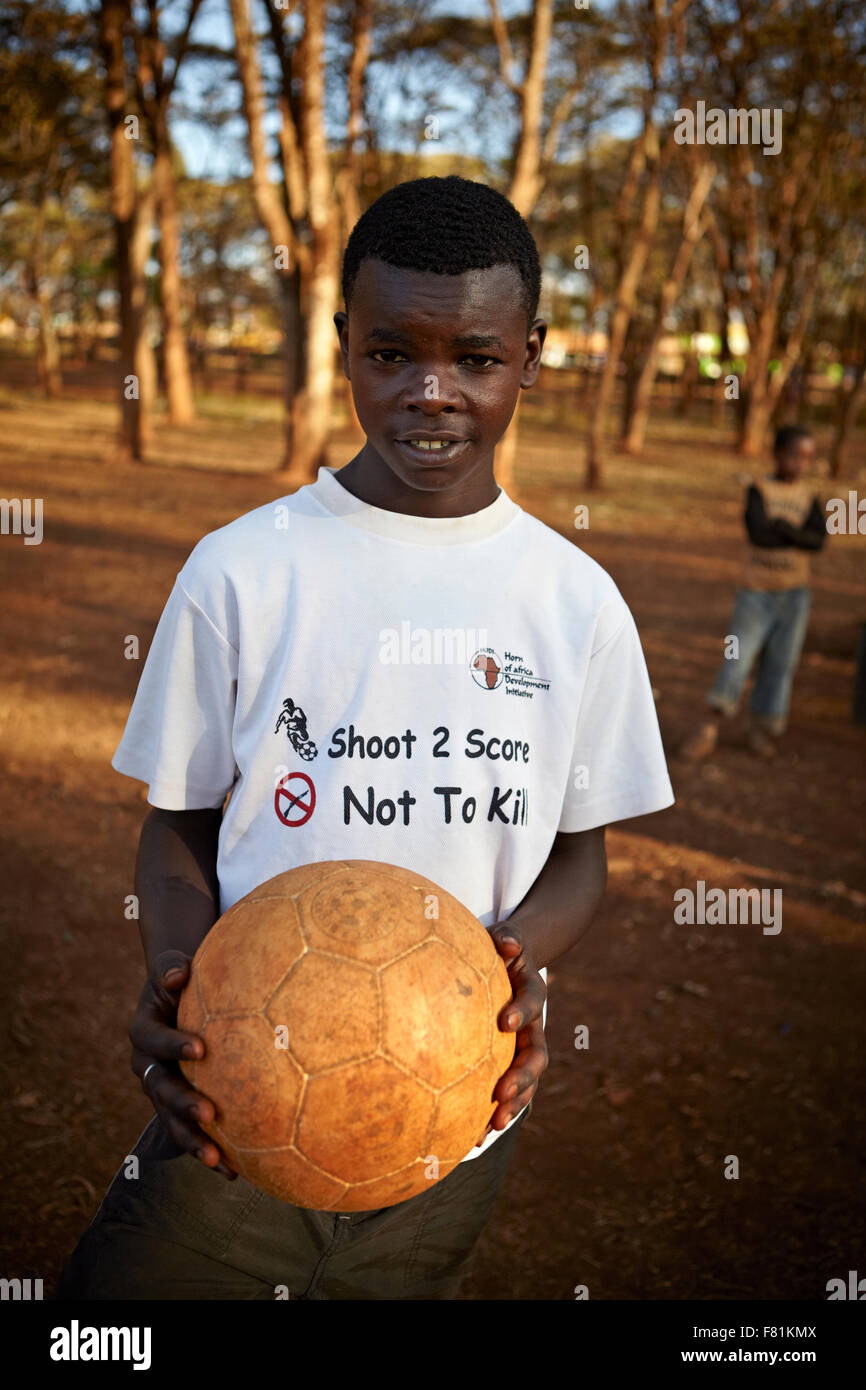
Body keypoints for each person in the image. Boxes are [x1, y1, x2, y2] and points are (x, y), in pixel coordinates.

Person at [54, 176, 674, 1301]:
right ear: (343, 345)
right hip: (236, 1113)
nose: (431, 393)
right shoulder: (241, 571)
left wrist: (517, 959)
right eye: (391, 353)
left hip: (456, 1117)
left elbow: (582, 854)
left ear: (529, 356)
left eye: (476, 360)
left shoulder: (574, 603)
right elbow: (178, 822)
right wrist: (182, 980)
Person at [680, 425, 827, 762]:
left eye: (808, 457)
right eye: (794, 455)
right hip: (756, 594)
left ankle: (761, 729)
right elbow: (758, 534)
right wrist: (794, 534)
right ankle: (709, 727)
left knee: (781, 663)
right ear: (777, 455)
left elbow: (817, 540)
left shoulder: (810, 496)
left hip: (795, 597)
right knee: (738, 657)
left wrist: (785, 529)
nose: (801, 463)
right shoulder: (759, 490)